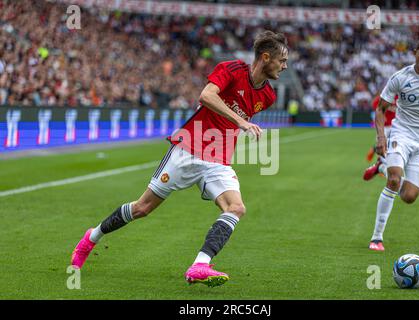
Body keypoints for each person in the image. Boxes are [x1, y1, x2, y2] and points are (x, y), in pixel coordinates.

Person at [70, 30, 289, 287]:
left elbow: (229, 123)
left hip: (217, 160)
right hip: (188, 149)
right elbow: (206, 96)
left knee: (237, 208)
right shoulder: (231, 70)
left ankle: (200, 265)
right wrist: (241, 121)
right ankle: (91, 238)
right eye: (282, 60)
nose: (285, 66)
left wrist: (238, 129)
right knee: (142, 208)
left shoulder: (268, 96)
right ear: (265, 57)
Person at [368, 37, 419, 251]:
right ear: (415, 53)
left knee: (409, 197)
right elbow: (380, 109)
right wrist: (381, 137)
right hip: (401, 134)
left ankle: (381, 166)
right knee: (394, 180)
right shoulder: (400, 77)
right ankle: (377, 237)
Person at [363, 94, 397, 180]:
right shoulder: (386, 96)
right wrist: (385, 110)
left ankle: (375, 151)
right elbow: (376, 105)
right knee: (383, 145)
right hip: (383, 126)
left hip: (394, 126)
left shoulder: (399, 97)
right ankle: (383, 165)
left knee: (391, 146)